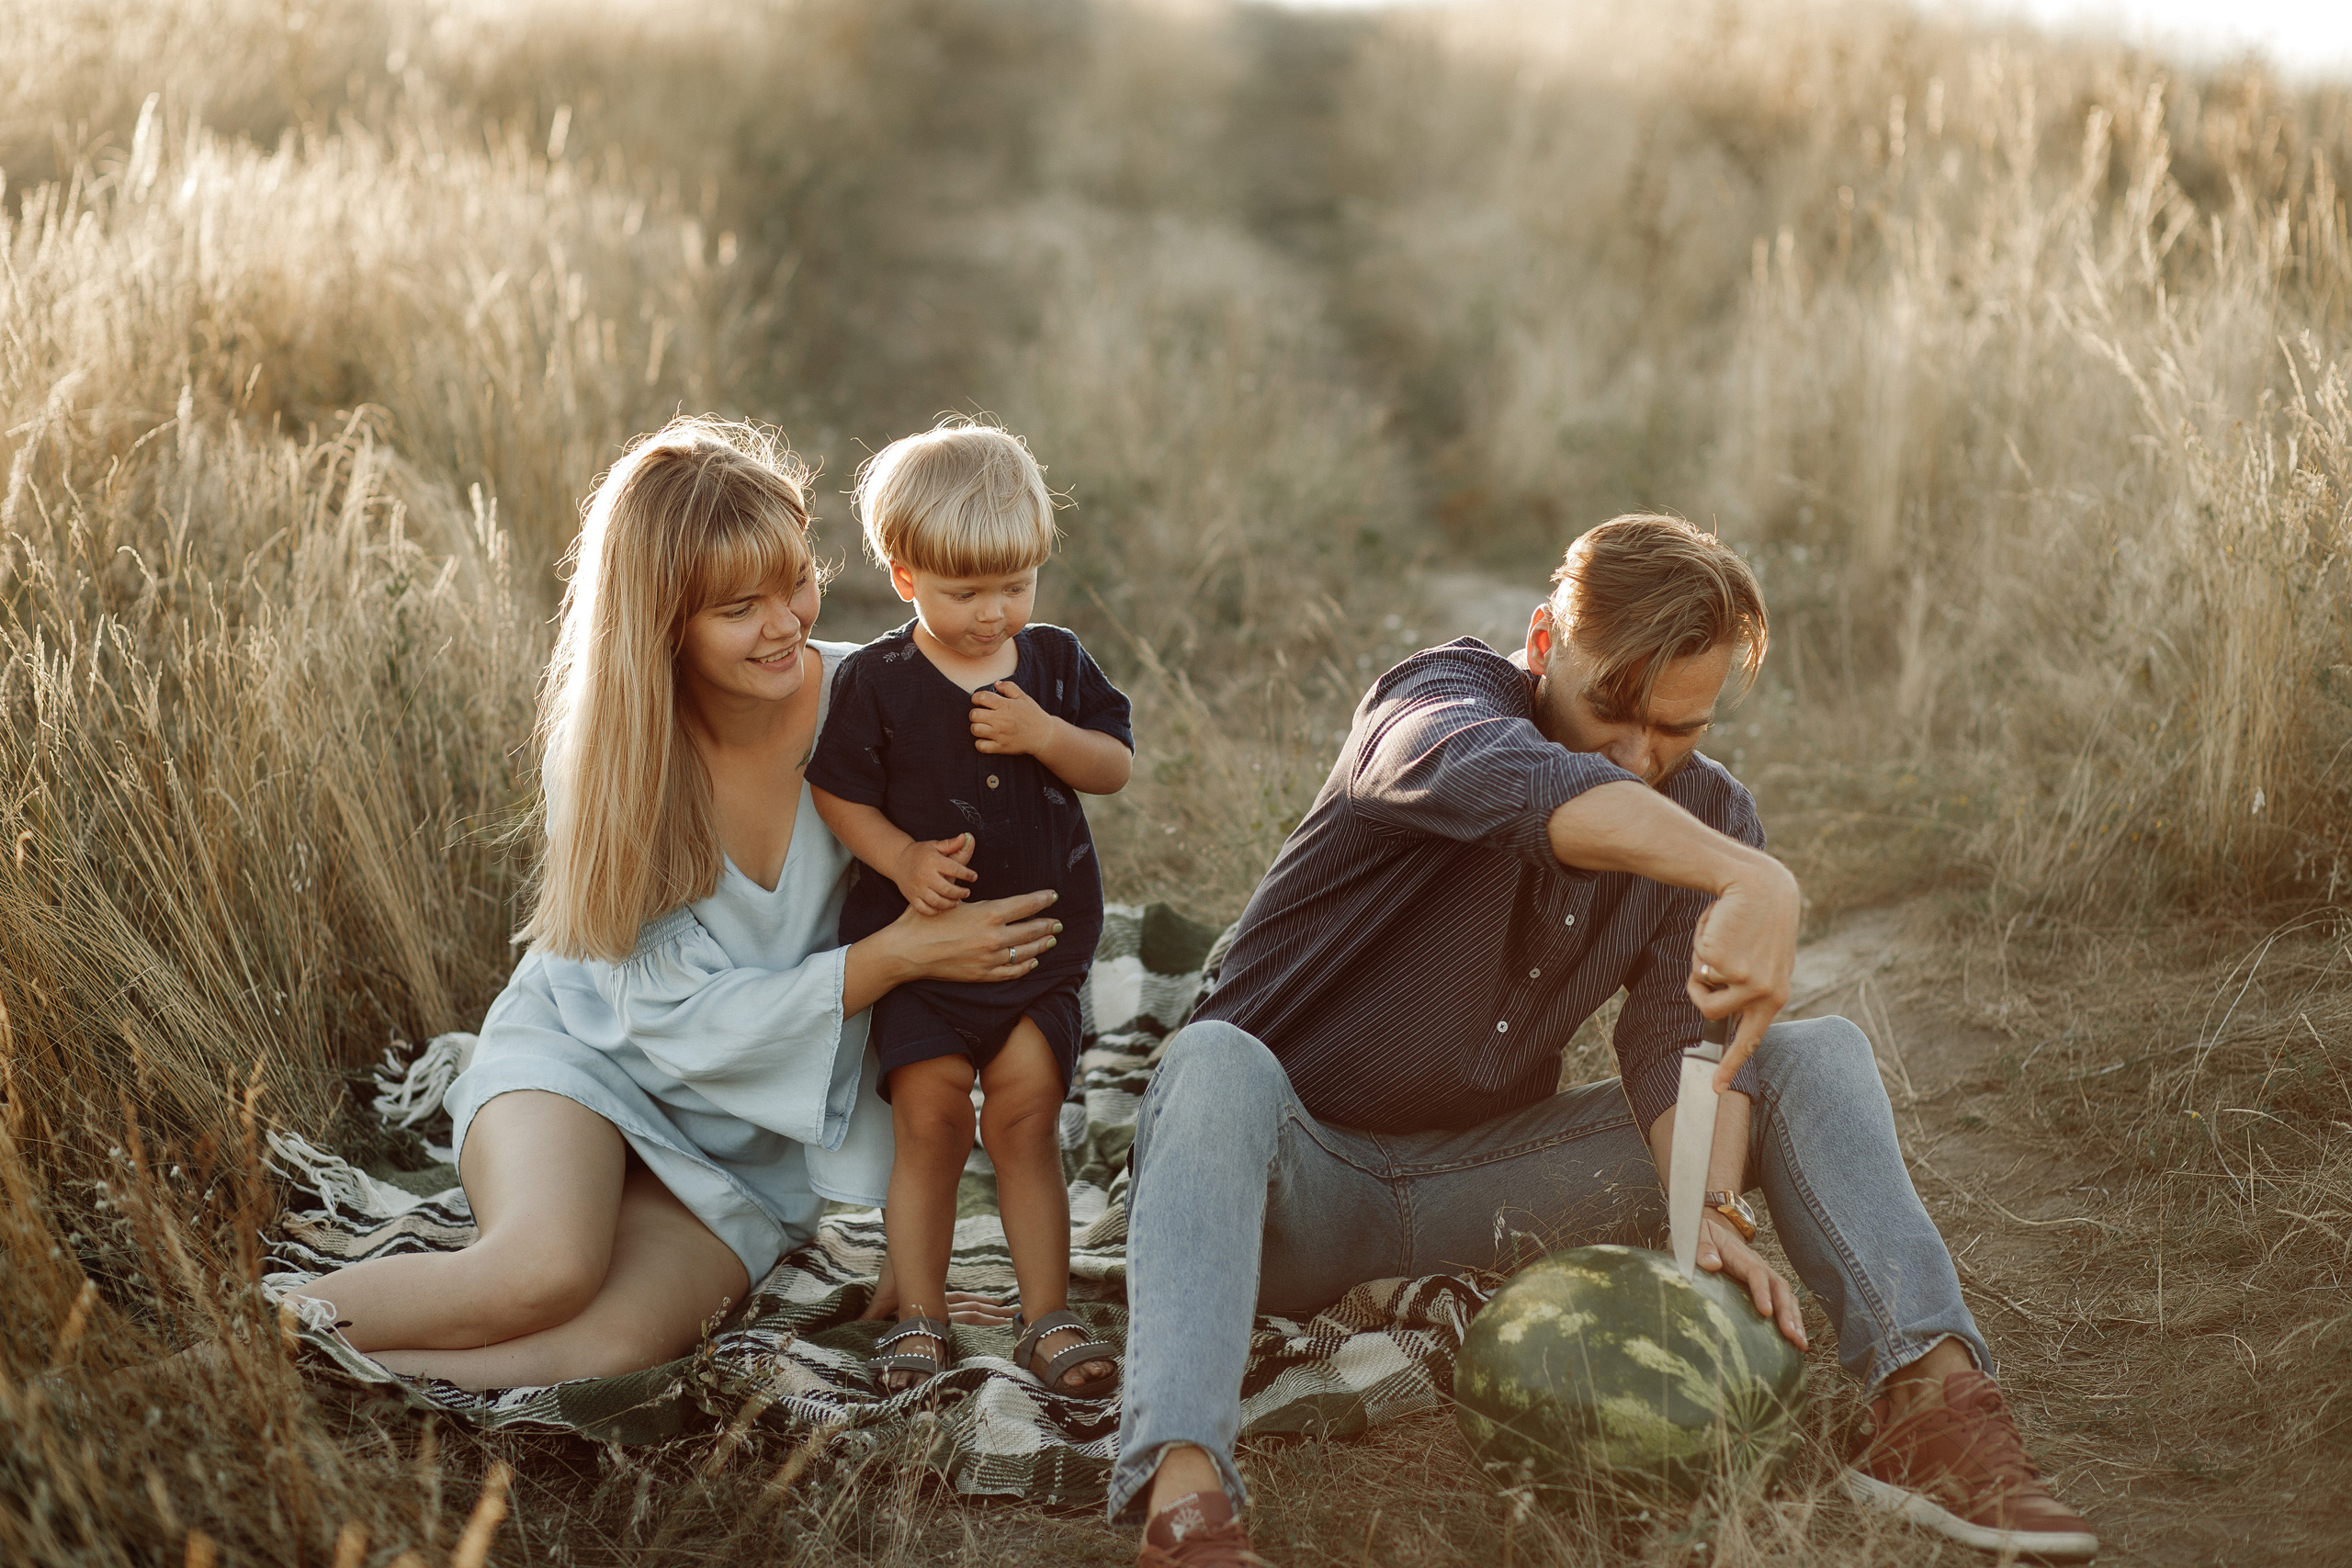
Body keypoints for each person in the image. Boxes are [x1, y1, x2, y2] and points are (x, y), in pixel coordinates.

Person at [1113, 516, 2098, 1567]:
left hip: (1480, 1191)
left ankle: (1929, 1408)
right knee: (1211, 1056)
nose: (1639, 758)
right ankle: (1184, 1507)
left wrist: (1705, 1208)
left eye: (1678, 729)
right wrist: (1752, 877)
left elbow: (1675, 1037)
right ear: (1542, 644)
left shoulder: (1708, 814)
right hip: (1282, 1189)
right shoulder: (1433, 707)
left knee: (1820, 1054)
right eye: (1610, 712)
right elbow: (1525, 787)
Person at [281, 418, 1066, 1389]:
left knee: (613, 1348)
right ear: (664, 622)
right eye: (740, 606)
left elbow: (944, 986)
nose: (784, 623)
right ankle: (234, 1343)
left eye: (796, 585)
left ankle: (287, 1377)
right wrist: (899, 956)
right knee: (540, 1274)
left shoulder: (890, 708)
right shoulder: (617, 760)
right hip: (582, 1064)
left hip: (745, 1152)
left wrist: (917, 1250)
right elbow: (664, 1013)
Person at [810, 419, 1132, 1396]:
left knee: (1029, 1119)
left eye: (1016, 586)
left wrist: (1044, 735)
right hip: (923, 958)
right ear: (905, 577)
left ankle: (1047, 1316)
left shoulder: (1055, 665)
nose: (996, 613)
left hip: (1038, 944)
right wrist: (901, 858)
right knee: (933, 1119)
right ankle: (921, 1313)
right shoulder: (876, 682)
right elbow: (837, 794)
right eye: (965, 592)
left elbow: (1113, 766)